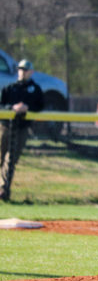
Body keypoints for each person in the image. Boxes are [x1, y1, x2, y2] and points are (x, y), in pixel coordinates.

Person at [0, 59, 44, 201]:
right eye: (20, 69)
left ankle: (3, 190)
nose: (22, 72)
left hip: (22, 128)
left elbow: (40, 106)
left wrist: (27, 108)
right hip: (6, 126)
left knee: (11, 159)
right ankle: (3, 188)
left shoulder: (35, 90)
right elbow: (2, 105)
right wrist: (12, 108)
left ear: (31, 72)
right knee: (0, 157)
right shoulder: (10, 88)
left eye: (25, 69)